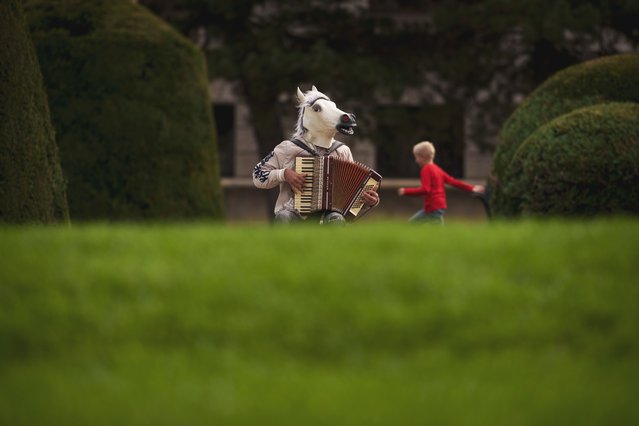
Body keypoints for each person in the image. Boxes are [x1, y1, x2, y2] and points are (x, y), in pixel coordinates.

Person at [253, 86, 379, 224]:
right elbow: (257, 175)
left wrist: (368, 200)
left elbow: (351, 194)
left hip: (330, 216)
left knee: (336, 220)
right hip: (293, 215)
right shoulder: (288, 148)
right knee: (283, 219)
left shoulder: (342, 151)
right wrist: (284, 174)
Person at [398, 141, 484, 223]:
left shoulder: (426, 169)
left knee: (416, 225)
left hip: (433, 208)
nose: (416, 161)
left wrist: (406, 191)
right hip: (437, 206)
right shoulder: (437, 169)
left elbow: (425, 189)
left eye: (416, 157)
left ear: (422, 157)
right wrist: (472, 188)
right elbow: (453, 182)